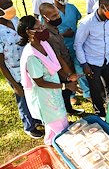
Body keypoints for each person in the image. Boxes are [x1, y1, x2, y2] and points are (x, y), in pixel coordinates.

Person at [18, 16, 78, 145]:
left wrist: (68, 77)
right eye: (39, 28)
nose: (43, 29)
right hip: (43, 96)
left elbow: (55, 62)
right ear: (29, 32)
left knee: (59, 117)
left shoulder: (44, 43)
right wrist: (65, 86)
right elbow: (40, 82)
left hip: (53, 91)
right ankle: (61, 143)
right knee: (56, 121)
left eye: (43, 26)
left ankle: (51, 142)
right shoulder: (31, 57)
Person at [0, 0, 43, 139]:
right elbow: (1, 64)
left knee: (33, 93)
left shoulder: (14, 19)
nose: (10, 7)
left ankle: (37, 117)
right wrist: (15, 85)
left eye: (10, 3)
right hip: (15, 71)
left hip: (28, 65)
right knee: (23, 98)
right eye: (6, 6)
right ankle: (29, 126)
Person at [39, 3, 84, 115]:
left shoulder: (54, 28)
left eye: (57, 14)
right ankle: (66, 111)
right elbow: (58, 58)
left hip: (65, 62)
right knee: (64, 91)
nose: (58, 17)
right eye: (54, 16)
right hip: (61, 69)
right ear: (45, 17)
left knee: (67, 91)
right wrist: (68, 75)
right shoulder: (48, 35)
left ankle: (68, 109)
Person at [50, 0, 91, 103]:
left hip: (76, 44)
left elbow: (78, 19)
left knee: (80, 68)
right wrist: (63, 34)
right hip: (62, 47)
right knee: (68, 71)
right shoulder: (50, 12)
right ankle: (71, 94)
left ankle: (86, 91)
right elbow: (48, 32)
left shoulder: (72, 8)